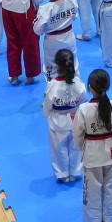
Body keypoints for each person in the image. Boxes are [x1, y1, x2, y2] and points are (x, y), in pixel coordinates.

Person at [70, 68, 112, 222]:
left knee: (92, 189)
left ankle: (95, 221)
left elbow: (77, 133)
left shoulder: (84, 109)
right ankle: (108, 220)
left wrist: (83, 148)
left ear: (90, 87)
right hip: (111, 151)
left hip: (92, 153)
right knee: (110, 187)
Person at [42, 48, 86, 184]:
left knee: (58, 149)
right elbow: (84, 100)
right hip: (76, 119)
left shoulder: (52, 85)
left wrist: (47, 113)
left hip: (58, 121)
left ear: (56, 66)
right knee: (76, 147)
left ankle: (62, 173)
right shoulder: (78, 84)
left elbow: (48, 104)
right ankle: (75, 171)